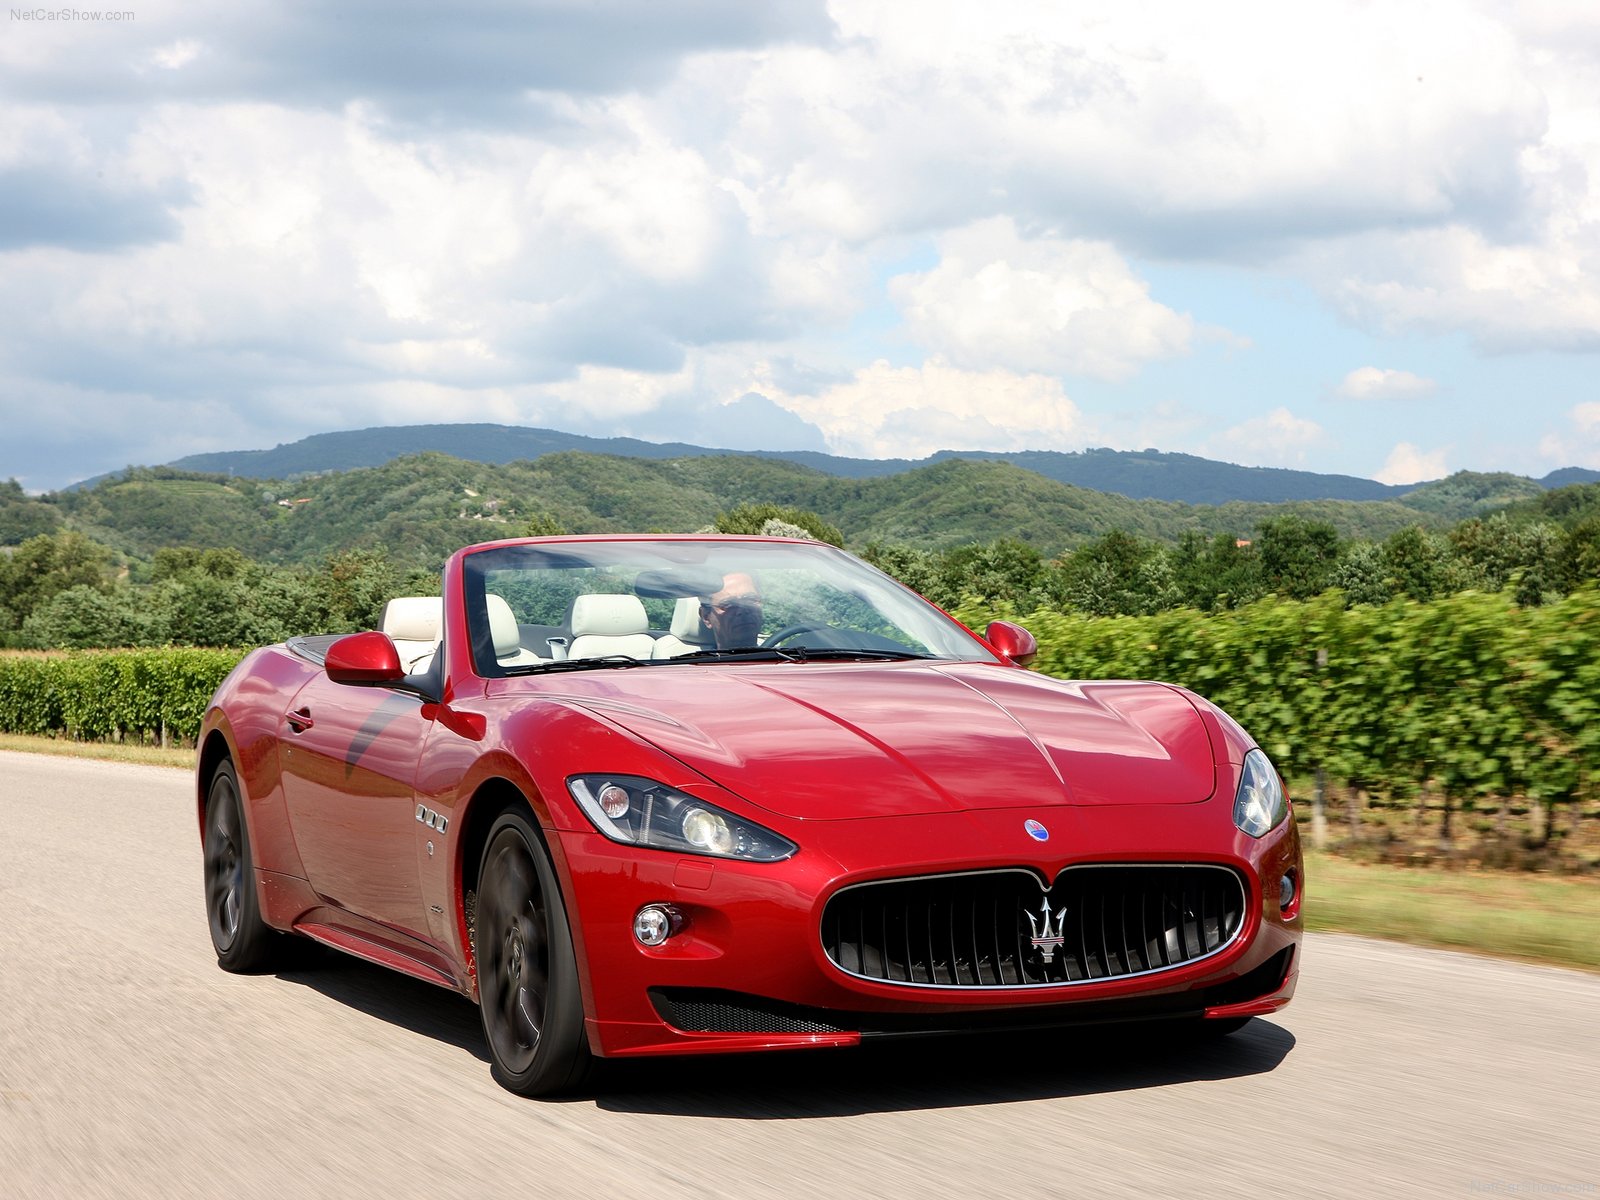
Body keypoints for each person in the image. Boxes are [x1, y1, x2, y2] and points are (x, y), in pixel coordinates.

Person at [700, 571, 764, 649]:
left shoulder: (781, 656)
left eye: (750, 600)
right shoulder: (695, 661)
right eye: (728, 604)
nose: (742, 611)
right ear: (706, 617)